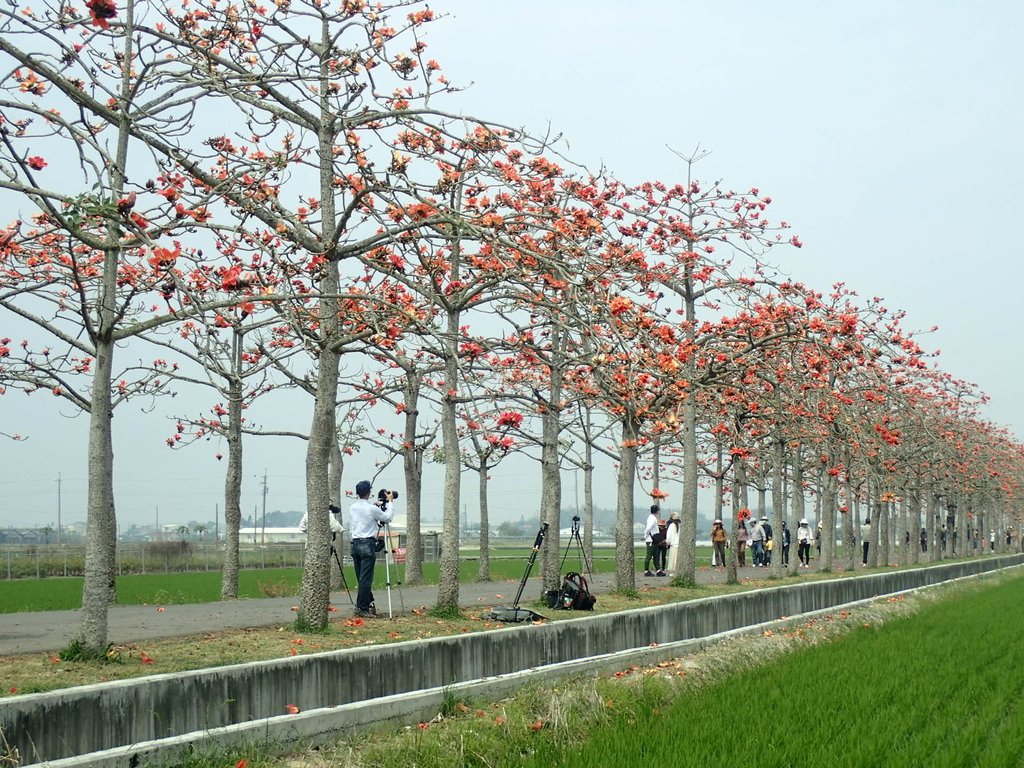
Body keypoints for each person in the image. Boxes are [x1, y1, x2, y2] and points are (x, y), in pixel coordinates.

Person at [349, 480, 394, 618]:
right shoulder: (372, 508)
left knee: (361, 578)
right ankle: (362, 608)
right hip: (367, 544)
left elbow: (364, 518)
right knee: (366, 579)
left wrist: (376, 507)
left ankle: (368, 603)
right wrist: (390, 502)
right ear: (369, 492)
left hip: (355, 544)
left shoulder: (352, 507)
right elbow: (387, 518)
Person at [643, 505, 661, 577]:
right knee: (649, 555)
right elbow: (648, 528)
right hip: (651, 539)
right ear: (656, 511)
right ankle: (646, 570)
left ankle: (658, 570)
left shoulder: (652, 518)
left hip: (654, 539)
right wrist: (645, 536)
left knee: (656, 555)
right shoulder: (652, 518)